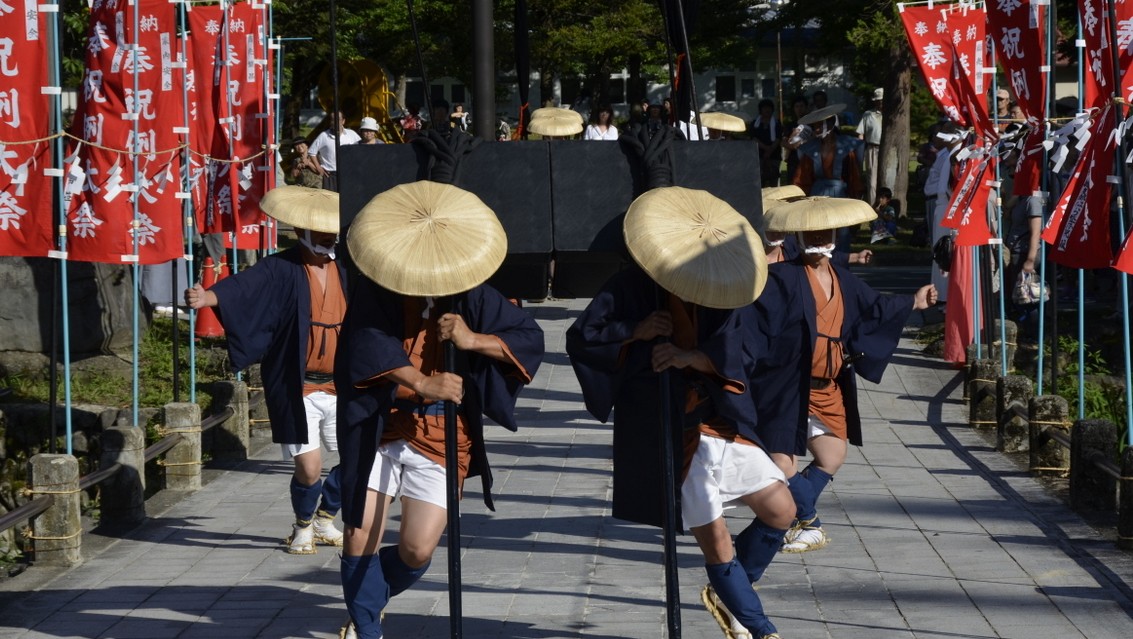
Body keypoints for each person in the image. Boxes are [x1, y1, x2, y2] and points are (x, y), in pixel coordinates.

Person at [567, 187, 795, 639]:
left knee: (782, 510)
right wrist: (635, 331)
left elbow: (740, 348)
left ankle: (731, 592)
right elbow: (584, 338)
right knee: (717, 541)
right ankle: (759, 627)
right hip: (671, 428)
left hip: (721, 415)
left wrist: (693, 358)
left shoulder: (720, 283)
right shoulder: (631, 285)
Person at [335, 181, 545, 639]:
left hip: (441, 433)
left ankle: (370, 599)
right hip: (383, 426)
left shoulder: (472, 293)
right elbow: (365, 344)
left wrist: (472, 341)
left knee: (416, 549)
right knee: (359, 533)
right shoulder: (379, 289)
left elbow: (529, 336)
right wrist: (420, 380)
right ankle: (366, 627)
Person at [746, 196, 937, 555]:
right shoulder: (780, 277)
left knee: (833, 455)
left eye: (825, 231)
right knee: (782, 463)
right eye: (813, 232)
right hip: (789, 385)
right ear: (800, 237)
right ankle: (810, 523)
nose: (820, 237)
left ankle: (789, 517)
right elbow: (754, 325)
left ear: (833, 235)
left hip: (828, 385)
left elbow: (876, 307)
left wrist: (914, 301)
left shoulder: (843, 280)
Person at [184, 186, 347, 555]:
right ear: (303, 233)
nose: (329, 239)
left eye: (332, 233)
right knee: (309, 468)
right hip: (298, 384)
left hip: (341, 383)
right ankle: (303, 525)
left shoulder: (347, 268)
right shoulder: (282, 267)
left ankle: (325, 517)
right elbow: (245, 288)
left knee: (360, 461)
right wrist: (208, 298)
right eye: (322, 234)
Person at [794, 103, 865, 253]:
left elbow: (854, 178)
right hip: (816, 195)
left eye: (820, 125)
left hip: (841, 196)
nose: (817, 129)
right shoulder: (810, 148)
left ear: (831, 124)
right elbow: (802, 179)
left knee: (841, 235)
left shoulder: (846, 147)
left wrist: (856, 201)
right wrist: (798, 200)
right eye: (815, 126)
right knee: (817, 233)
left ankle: (840, 271)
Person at [307, 111, 361, 191]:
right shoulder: (324, 136)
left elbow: (361, 149)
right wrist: (318, 167)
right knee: (330, 200)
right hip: (330, 175)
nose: (335, 122)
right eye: (332, 119)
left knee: (347, 199)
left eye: (338, 119)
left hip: (348, 173)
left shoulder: (352, 134)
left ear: (343, 121)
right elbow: (312, 152)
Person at [856, 88, 884, 205]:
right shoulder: (868, 114)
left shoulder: (892, 114)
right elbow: (860, 133)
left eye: (881, 100)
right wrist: (860, 151)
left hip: (887, 150)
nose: (880, 103)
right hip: (872, 148)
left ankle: (886, 207)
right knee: (872, 181)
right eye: (877, 100)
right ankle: (873, 207)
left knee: (886, 179)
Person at [752, 99, 783, 187]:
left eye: (769, 108)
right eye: (764, 108)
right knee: (759, 184)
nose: (767, 110)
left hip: (774, 157)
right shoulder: (755, 123)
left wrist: (769, 151)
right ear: (760, 110)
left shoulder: (777, 123)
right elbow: (754, 138)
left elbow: (778, 138)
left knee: (774, 182)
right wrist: (766, 148)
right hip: (759, 157)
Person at [782, 95, 811, 185]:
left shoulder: (812, 124)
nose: (799, 109)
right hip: (793, 162)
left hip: (809, 161)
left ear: (806, 107)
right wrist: (793, 146)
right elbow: (783, 141)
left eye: (802, 106)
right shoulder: (790, 125)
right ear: (794, 109)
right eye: (797, 106)